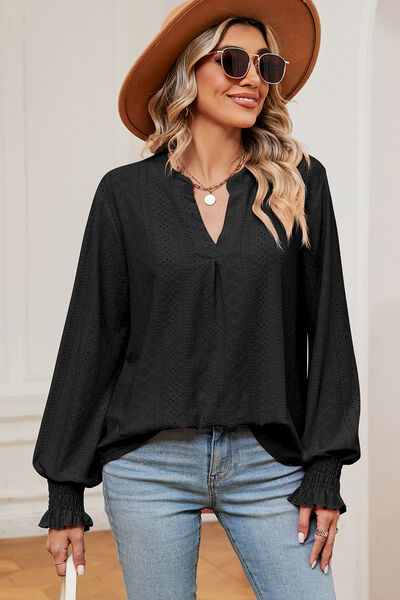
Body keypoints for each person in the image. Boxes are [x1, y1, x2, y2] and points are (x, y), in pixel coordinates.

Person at [32, 1, 361, 598]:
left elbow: (329, 330)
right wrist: (65, 493)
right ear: (189, 70)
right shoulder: (125, 195)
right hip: (149, 467)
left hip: (269, 463)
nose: (252, 77)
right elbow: (92, 338)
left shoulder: (300, 184)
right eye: (232, 60)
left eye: (266, 65)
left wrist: (324, 470)